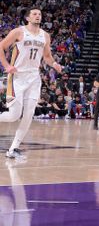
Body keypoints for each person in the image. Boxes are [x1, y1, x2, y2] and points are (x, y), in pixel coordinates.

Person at [0, 8, 63, 159]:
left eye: (40, 14)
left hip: (34, 78)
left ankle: (13, 149)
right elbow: (1, 47)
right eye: (34, 14)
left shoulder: (45, 36)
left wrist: (54, 64)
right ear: (28, 17)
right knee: (14, 115)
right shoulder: (18, 32)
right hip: (17, 77)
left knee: (28, 115)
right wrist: (7, 66)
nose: (38, 16)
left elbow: (47, 56)